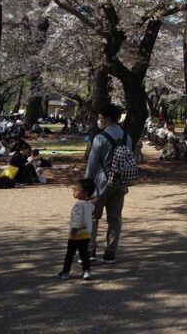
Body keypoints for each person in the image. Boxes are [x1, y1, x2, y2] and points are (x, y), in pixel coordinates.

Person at [85, 103, 133, 264]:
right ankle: (110, 252)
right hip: (120, 183)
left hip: (100, 183)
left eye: (100, 118)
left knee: (93, 217)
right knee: (115, 218)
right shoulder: (128, 137)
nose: (98, 121)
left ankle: (90, 251)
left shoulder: (100, 138)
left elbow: (91, 164)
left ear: (107, 119)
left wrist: (86, 184)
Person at [57, 179, 96, 280]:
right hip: (86, 234)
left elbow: (77, 219)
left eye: (77, 189)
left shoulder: (78, 204)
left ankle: (65, 272)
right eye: (74, 188)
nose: (74, 190)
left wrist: (73, 230)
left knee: (69, 254)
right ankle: (86, 271)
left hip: (76, 234)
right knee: (84, 253)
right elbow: (91, 212)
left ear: (85, 193)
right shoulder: (90, 204)